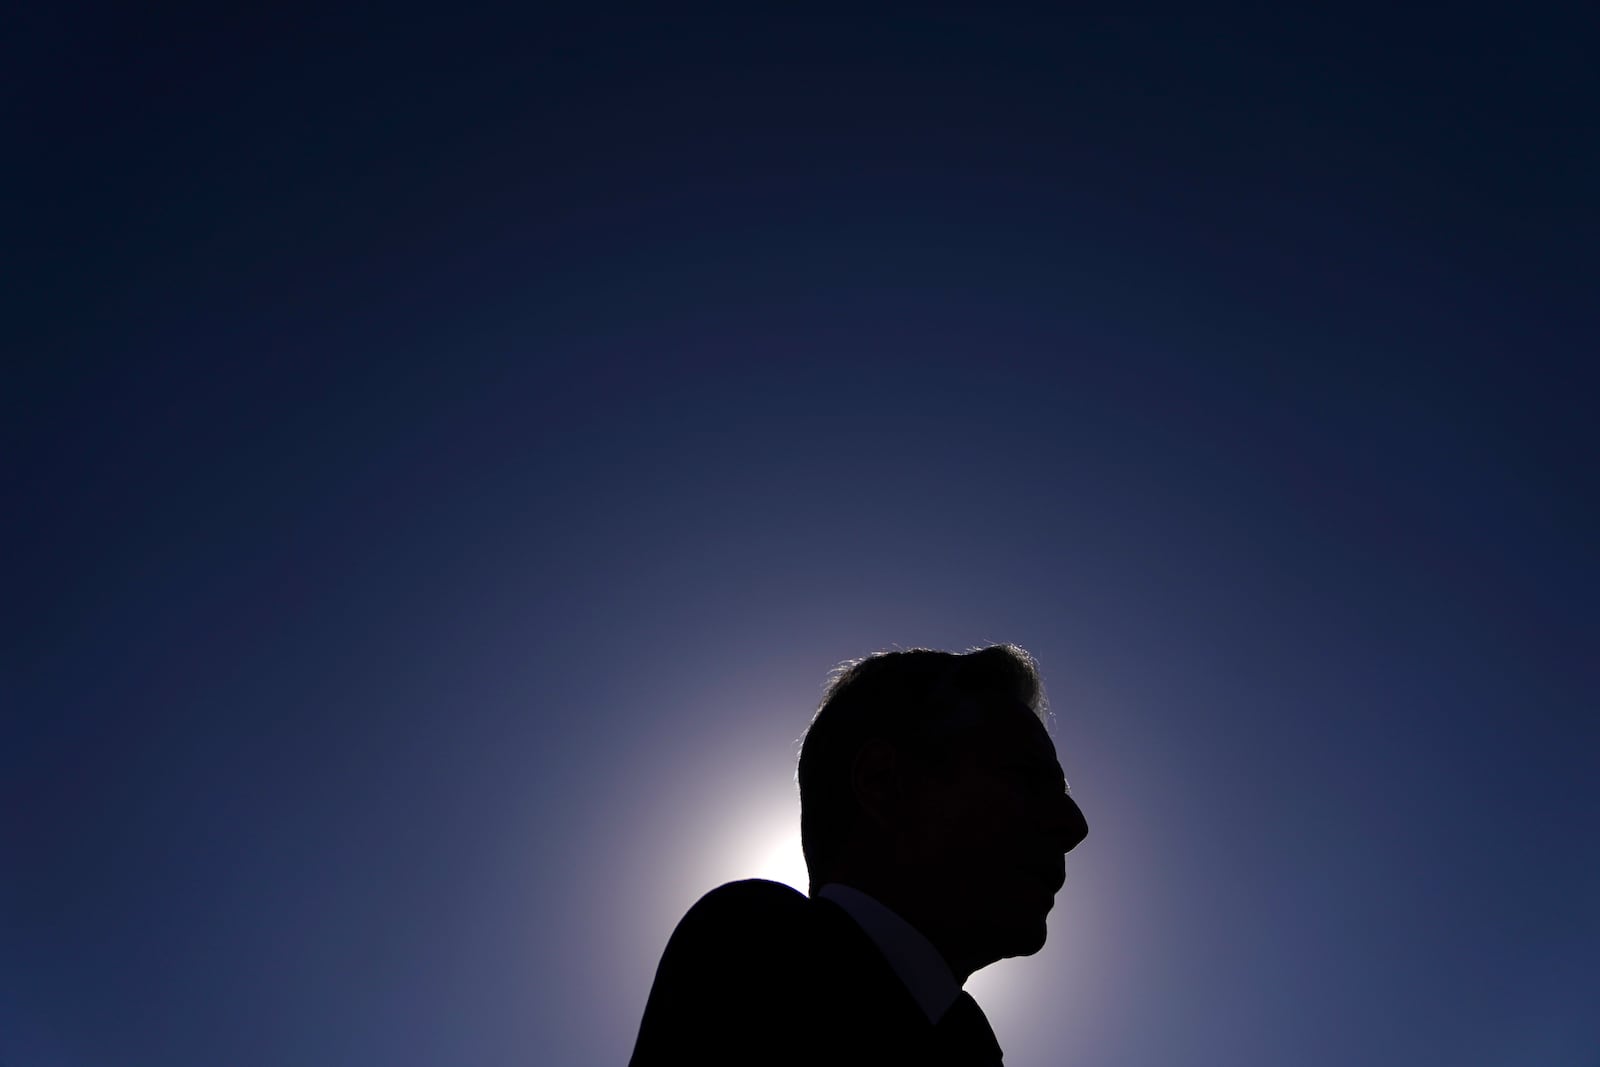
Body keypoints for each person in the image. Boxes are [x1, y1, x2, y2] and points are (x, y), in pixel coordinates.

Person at [628, 645, 1089, 1066]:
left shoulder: (961, 1038)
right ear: (883, 782)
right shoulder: (757, 954)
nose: (1074, 826)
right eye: (1028, 779)